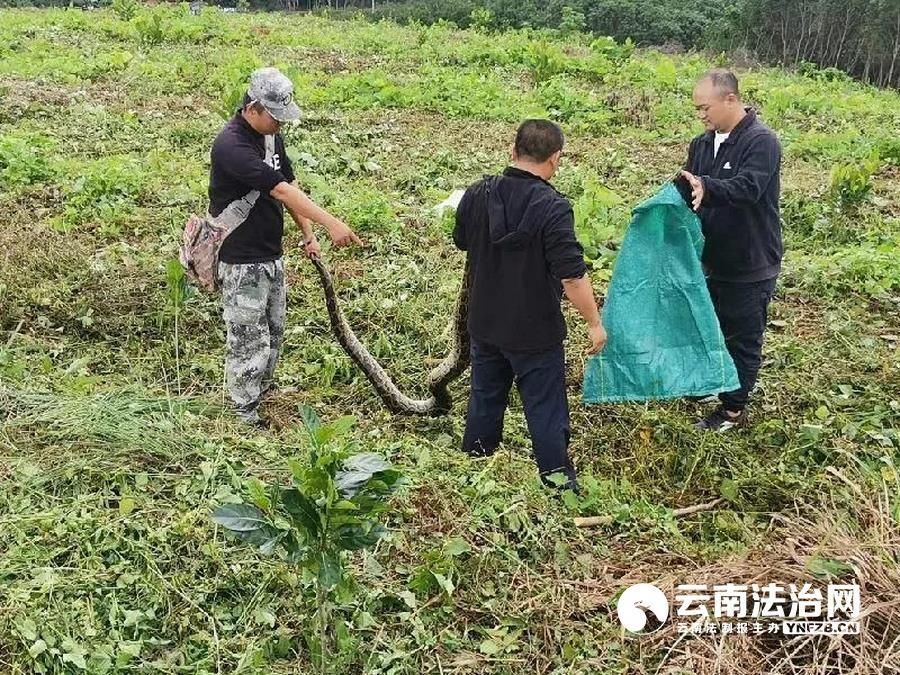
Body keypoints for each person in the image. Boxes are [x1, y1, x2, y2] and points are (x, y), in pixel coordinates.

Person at [453, 119, 606, 490]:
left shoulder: (478, 193)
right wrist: (594, 323)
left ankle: (475, 467)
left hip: (486, 320)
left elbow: (461, 241)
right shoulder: (553, 208)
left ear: (513, 150)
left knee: (485, 396)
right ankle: (556, 482)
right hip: (534, 329)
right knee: (545, 406)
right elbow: (572, 275)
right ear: (556, 158)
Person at [209, 67, 362, 426]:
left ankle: (261, 393)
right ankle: (242, 414)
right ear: (253, 108)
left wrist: (307, 232)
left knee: (274, 332)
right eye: (275, 117)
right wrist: (331, 222)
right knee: (248, 340)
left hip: (270, 253)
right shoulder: (231, 145)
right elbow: (279, 190)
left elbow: (288, 182)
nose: (280, 125)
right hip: (242, 259)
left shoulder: (270, 137)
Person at [679, 69, 783, 431]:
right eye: (697, 109)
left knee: (742, 337)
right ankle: (713, 384)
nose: (701, 115)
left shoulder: (762, 141)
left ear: (730, 99)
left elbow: (748, 187)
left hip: (749, 261)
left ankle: (732, 410)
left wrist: (708, 187)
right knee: (710, 326)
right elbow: (692, 188)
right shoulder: (702, 144)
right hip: (712, 259)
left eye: (705, 107)